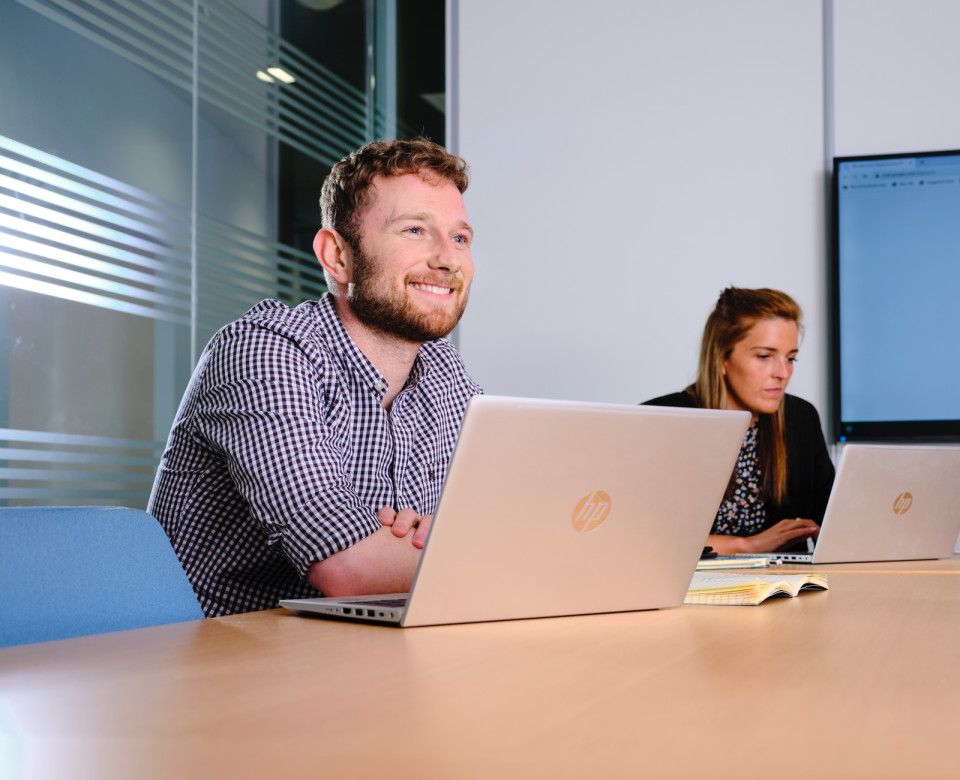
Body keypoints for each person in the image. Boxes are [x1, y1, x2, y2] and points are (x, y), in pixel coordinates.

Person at [148, 138, 481, 617]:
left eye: (460, 238)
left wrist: (443, 541)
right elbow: (348, 567)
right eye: (414, 231)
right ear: (337, 256)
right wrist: (491, 546)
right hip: (220, 663)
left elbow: (491, 516)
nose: (447, 259)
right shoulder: (266, 349)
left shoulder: (444, 371)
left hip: (356, 654)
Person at [644, 287, 834, 554]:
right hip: (689, 590)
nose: (783, 373)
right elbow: (640, 537)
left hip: (784, 589)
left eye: (791, 358)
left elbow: (833, 525)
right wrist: (747, 545)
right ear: (721, 357)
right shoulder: (661, 421)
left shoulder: (801, 419)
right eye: (764, 356)